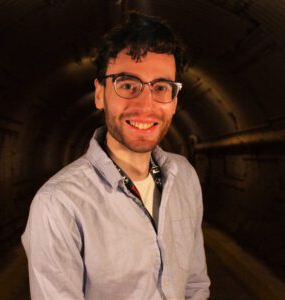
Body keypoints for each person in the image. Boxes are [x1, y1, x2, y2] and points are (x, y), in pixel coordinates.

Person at [22, 11, 210, 300]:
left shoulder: (184, 176)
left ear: (174, 101)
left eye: (161, 87)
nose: (145, 105)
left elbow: (195, 285)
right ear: (100, 94)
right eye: (127, 84)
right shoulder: (58, 205)